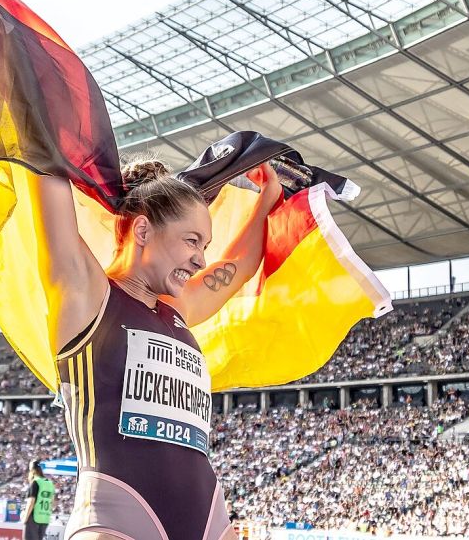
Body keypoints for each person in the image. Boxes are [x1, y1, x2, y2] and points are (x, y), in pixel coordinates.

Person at [31, 156, 281, 539]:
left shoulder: (178, 309)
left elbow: (240, 264)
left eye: (206, 244)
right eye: (192, 241)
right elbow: (45, 169)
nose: (201, 259)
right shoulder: (87, 294)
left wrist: (269, 196)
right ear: (144, 230)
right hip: (117, 521)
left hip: (210, 521)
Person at [21, 461, 54, 540]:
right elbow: (52, 501)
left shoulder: (35, 482)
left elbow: (31, 502)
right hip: (45, 518)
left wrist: (25, 518)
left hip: (33, 518)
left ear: (32, 470)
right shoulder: (50, 483)